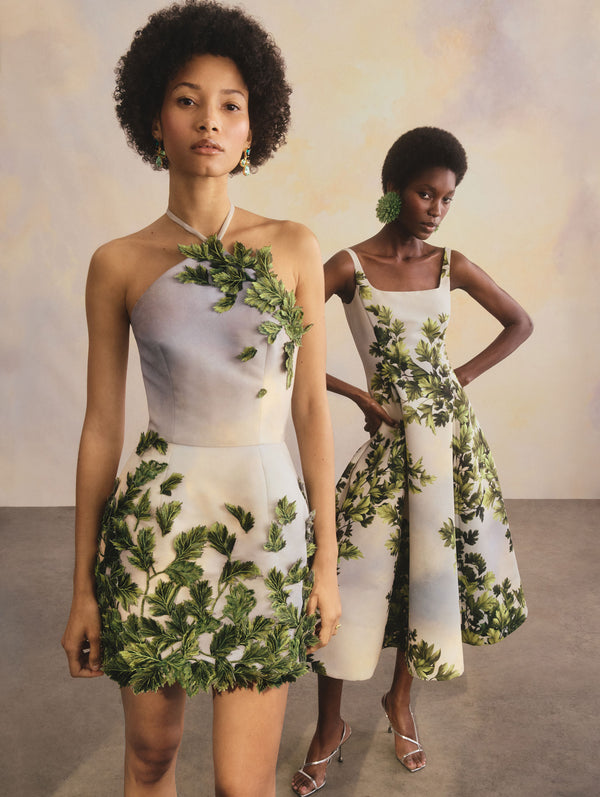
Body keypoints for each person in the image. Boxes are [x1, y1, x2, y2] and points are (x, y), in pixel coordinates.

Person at [60, 3, 341, 795]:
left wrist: (325, 561)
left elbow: (312, 410)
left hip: (269, 530)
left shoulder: (294, 246)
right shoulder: (117, 263)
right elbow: (101, 429)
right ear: (155, 118)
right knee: (152, 758)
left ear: (255, 127)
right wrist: (82, 588)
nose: (208, 121)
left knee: (241, 785)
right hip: (155, 531)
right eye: (187, 100)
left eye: (230, 105)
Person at [292, 126, 532, 796]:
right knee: (350, 576)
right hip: (391, 447)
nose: (435, 207)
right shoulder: (349, 265)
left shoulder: (450, 263)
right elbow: (282, 335)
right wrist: (357, 394)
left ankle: (401, 702)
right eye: (426, 192)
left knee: (429, 577)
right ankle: (328, 726)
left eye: (447, 197)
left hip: (449, 445)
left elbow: (520, 322)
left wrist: (455, 378)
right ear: (395, 188)